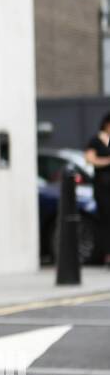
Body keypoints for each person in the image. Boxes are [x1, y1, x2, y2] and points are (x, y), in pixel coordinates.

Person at [84, 112, 110, 266]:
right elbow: (89, 159)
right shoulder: (96, 140)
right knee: (106, 220)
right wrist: (107, 160)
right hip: (103, 187)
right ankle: (107, 254)